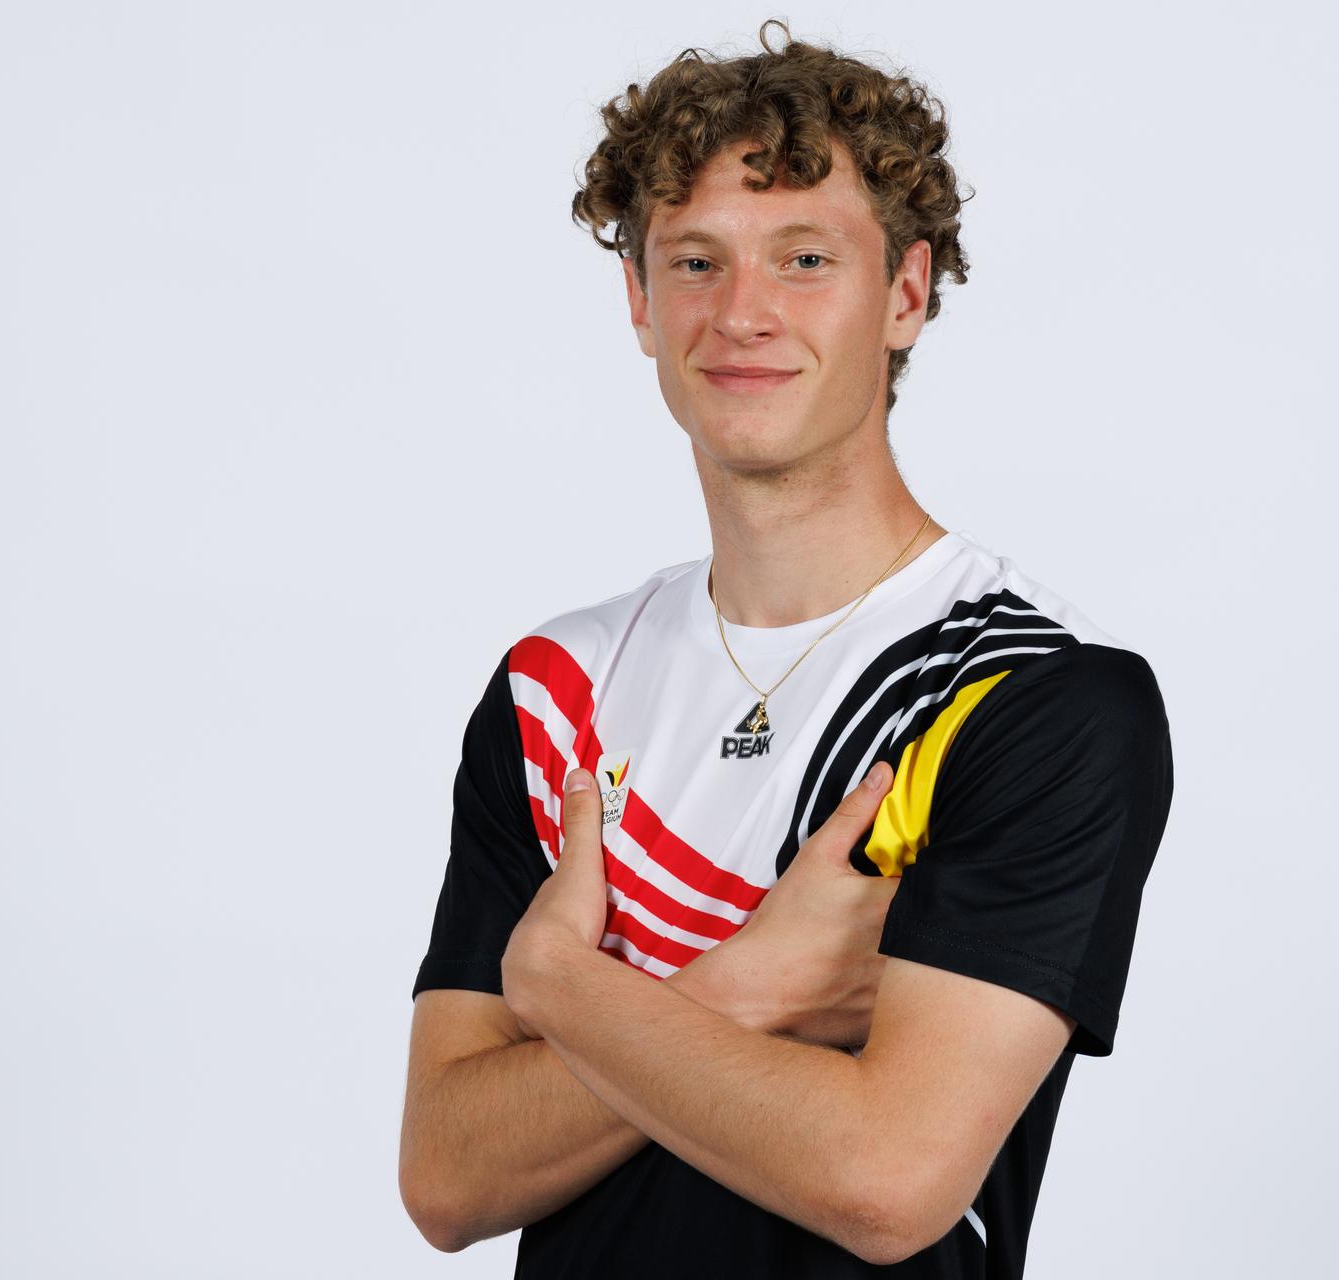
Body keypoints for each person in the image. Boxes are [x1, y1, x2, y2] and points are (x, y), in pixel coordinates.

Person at [398, 20, 1174, 1277]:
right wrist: (749, 985)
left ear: (907, 294)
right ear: (641, 304)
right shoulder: (557, 691)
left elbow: (886, 1180)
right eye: (694, 261)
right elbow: (445, 1173)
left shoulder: (1027, 699)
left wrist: (566, 983)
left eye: (805, 257)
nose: (742, 311)